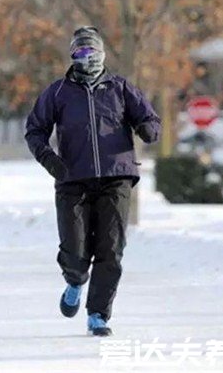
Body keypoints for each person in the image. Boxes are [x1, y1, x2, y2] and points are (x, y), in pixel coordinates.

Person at [25, 26, 161, 336]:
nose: (85, 58)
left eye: (90, 51)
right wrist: (49, 159)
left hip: (116, 177)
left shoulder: (120, 88)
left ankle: (98, 314)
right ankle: (74, 279)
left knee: (110, 249)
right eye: (79, 53)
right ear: (72, 56)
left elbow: (149, 118)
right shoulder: (57, 92)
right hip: (72, 179)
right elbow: (34, 130)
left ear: (101, 54)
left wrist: (147, 128)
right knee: (75, 251)